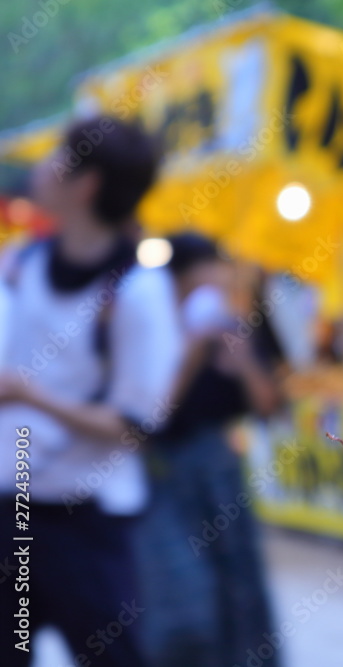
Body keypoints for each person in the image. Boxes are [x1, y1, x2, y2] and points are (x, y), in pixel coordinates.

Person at [0, 116, 184, 667]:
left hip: (89, 523)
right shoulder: (22, 266)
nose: (43, 168)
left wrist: (32, 397)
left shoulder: (138, 291)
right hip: (15, 511)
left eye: (59, 157)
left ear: (86, 184)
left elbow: (135, 423)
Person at [133, 233, 283, 667]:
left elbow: (269, 406)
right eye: (209, 267)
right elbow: (151, 415)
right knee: (183, 591)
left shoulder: (232, 328)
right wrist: (193, 350)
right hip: (165, 472)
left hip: (220, 468)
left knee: (238, 579)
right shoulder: (155, 331)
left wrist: (245, 364)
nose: (218, 276)